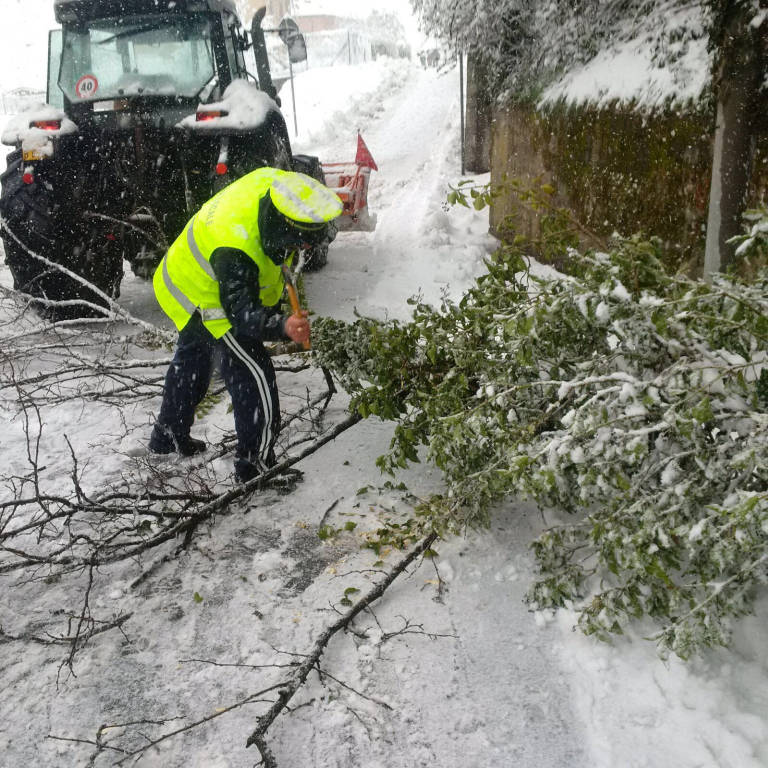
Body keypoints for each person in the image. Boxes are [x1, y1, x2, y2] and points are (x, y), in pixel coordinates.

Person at [149, 168, 342, 483]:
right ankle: (256, 469)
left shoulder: (277, 186)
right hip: (203, 291)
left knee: (193, 363)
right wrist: (283, 326)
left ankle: (167, 437)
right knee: (253, 374)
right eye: (303, 243)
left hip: (187, 271)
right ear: (284, 227)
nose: (305, 250)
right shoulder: (236, 249)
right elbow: (241, 315)